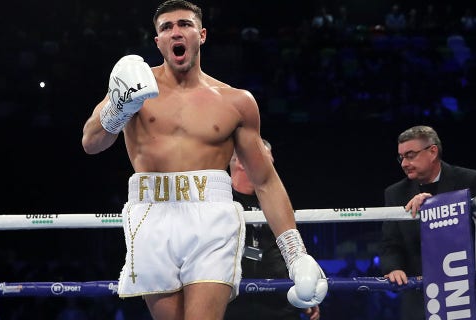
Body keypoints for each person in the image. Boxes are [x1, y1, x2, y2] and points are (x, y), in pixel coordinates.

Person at [80, 1, 327, 319]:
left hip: (212, 216)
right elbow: (91, 143)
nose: (175, 32)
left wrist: (296, 254)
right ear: (158, 41)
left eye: (184, 24)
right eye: (166, 28)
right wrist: (118, 108)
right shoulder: (133, 87)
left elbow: (264, 180)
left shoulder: (235, 101)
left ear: (202, 34)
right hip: (151, 213)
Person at [380, 125, 476, 320]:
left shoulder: (470, 180)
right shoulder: (395, 193)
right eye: (401, 157)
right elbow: (391, 242)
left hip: (464, 288)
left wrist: (435, 204)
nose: (404, 163)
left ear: (432, 152)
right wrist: (393, 268)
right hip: (419, 295)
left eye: (410, 155)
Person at [224, 139, 319, 320]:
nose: (272, 162)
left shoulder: (275, 201)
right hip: (233, 304)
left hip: (279, 303)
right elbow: (223, 248)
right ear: (242, 163)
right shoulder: (219, 200)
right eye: (267, 158)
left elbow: (290, 247)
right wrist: (263, 255)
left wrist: (304, 287)